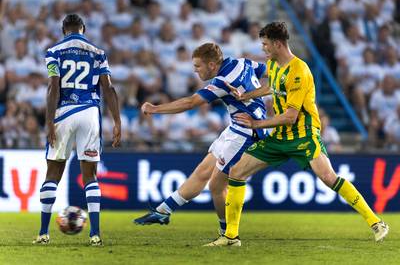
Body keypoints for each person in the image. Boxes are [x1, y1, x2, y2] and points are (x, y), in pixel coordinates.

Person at [205, 22, 389, 247]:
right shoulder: (273, 64)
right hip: (280, 136)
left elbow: (290, 116)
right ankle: (231, 237)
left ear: (277, 43)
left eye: (265, 44)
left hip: (303, 134)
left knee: (329, 178)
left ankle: (376, 223)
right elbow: (272, 87)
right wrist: (245, 96)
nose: (262, 48)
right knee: (237, 170)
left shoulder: (300, 71)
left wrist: (256, 124)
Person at [134, 43, 270, 237]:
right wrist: (256, 96)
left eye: (198, 66)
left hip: (246, 133)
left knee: (216, 186)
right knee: (203, 171)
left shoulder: (222, 81)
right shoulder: (243, 63)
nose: (195, 70)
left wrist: (155, 109)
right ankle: (163, 211)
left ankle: (229, 235)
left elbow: (191, 103)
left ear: (212, 65)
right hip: (235, 128)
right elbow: (272, 74)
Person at [32, 14, 121, 246]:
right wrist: (118, 121)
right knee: (90, 175)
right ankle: (95, 235)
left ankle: (43, 233)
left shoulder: (53, 51)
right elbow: (108, 88)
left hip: (64, 112)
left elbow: (53, 86)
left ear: (63, 29)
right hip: (90, 113)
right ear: (83, 28)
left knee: (53, 173)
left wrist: (49, 122)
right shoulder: (98, 52)